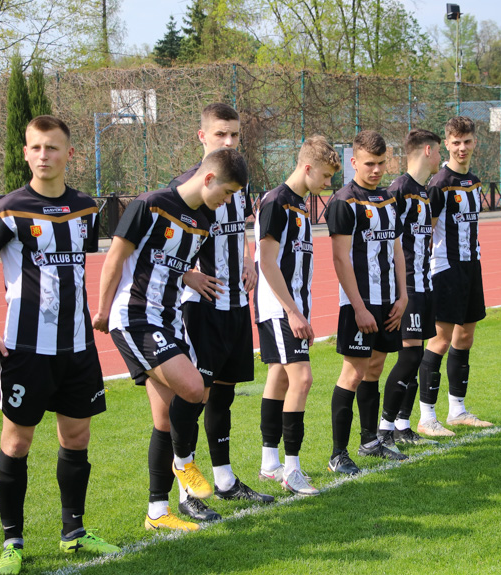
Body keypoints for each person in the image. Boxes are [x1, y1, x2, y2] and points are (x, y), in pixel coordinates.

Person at [0, 116, 120, 575]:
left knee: (76, 437)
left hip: (77, 349)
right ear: (25, 153)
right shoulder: (9, 209)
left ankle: (73, 531)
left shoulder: (85, 208)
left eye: (52, 148)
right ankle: (12, 543)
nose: (43, 155)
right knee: (17, 442)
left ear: (69, 154)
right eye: (35, 147)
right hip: (25, 350)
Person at [93, 148, 248, 533]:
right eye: (226, 193)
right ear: (209, 179)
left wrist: (189, 277)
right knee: (196, 389)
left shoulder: (205, 218)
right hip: (136, 318)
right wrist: (100, 309)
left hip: (169, 319)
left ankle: (158, 512)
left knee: (164, 420)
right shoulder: (151, 204)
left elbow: (166, 264)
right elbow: (116, 258)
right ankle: (183, 464)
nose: (227, 202)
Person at [135, 103, 269, 524]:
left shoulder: (238, 184)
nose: (228, 142)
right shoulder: (186, 188)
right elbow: (153, 249)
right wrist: (190, 274)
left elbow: (240, 227)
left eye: (234, 135)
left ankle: (225, 480)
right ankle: (187, 490)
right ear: (202, 137)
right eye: (220, 135)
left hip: (236, 302)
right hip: (201, 308)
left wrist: (248, 258)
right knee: (195, 396)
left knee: (224, 394)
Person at [255, 136, 341, 495]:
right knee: (302, 379)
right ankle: (292, 468)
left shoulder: (301, 205)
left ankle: (269, 463)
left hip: (292, 308)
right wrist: (292, 312)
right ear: (307, 168)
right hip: (279, 309)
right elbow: (267, 262)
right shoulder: (276, 202)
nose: (328, 184)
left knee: (280, 377)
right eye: (325, 176)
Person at [326, 130, 409, 476]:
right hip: (358, 302)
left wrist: (403, 295)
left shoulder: (389, 200)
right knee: (354, 372)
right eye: (369, 164)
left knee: (375, 367)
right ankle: (337, 454)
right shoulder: (344, 201)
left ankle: (370, 441)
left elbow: (396, 249)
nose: (376, 170)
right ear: (354, 161)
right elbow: (340, 259)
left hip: (389, 299)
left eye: (381, 163)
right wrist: (358, 307)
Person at [417, 116, 493, 438]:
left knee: (465, 337)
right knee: (440, 340)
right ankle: (427, 417)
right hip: (445, 269)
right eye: (456, 142)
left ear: (475, 142)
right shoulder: (439, 183)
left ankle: (458, 410)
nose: (462, 148)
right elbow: (426, 232)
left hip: (470, 267)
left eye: (467, 142)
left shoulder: (474, 181)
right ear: (446, 144)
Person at [378, 129, 443, 448]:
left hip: (423, 282)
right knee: (409, 355)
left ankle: (402, 426)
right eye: (440, 152)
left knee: (415, 356)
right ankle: (385, 427)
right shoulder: (400, 189)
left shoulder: (424, 191)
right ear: (428, 150)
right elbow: (387, 240)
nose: (441, 159)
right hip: (406, 287)